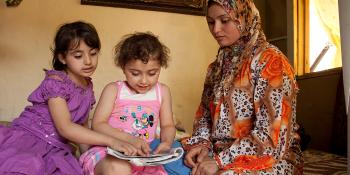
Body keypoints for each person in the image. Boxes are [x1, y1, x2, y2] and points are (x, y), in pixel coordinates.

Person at [181, 0, 303, 174]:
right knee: (173, 159)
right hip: (221, 152)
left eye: (224, 20)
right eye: (210, 22)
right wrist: (202, 145)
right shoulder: (216, 68)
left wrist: (219, 161)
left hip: (269, 156)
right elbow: (205, 117)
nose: (216, 29)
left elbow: (271, 137)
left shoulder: (270, 61)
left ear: (245, 17)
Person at [0, 21, 138, 174]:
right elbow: (65, 128)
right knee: (25, 167)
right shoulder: (55, 82)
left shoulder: (87, 86)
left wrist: (89, 158)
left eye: (93, 53)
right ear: (62, 58)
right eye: (78, 55)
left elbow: (83, 127)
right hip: (31, 139)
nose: (88, 61)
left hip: (56, 147)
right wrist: (112, 141)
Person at [79, 32, 191, 175]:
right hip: (109, 151)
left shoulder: (162, 91)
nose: (144, 81)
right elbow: (98, 124)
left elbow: (168, 125)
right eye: (135, 73)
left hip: (143, 156)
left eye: (152, 73)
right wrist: (129, 139)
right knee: (119, 169)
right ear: (123, 68)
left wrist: (166, 143)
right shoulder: (114, 89)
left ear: (160, 67)